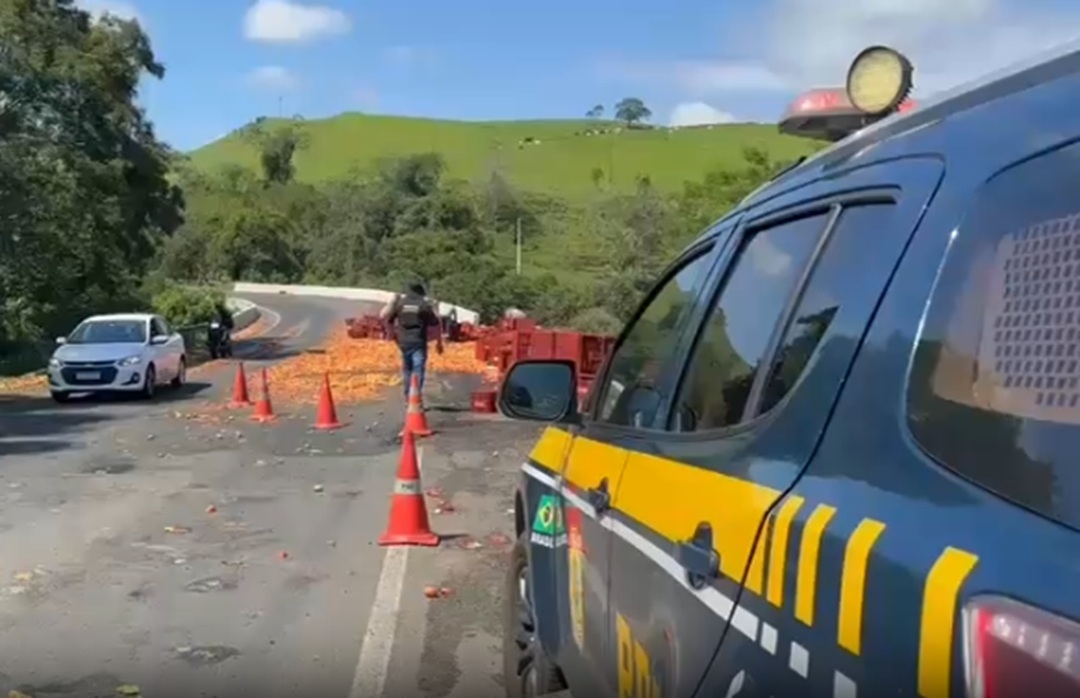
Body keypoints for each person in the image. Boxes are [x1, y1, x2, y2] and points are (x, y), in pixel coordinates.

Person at [381, 282, 444, 401]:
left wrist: (391, 334)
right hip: (418, 341)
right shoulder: (423, 305)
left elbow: (388, 320)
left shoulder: (400, 304)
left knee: (407, 369)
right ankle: (415, 397)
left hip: (403, 342)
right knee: (418, 369)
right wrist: (439, 342)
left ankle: (407, 397)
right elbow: (435, 323)